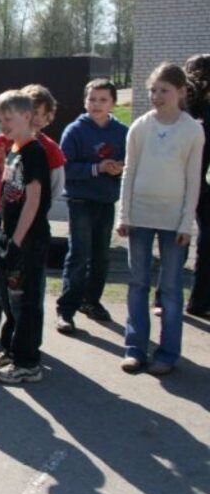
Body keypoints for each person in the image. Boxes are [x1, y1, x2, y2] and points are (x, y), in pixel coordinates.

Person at [117, 63, 205, 376]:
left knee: (169, 288)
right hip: (140, 215)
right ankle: (134, 349)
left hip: (174, 221)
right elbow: (129, 173)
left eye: (163, 91)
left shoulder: (193, 130)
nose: (156, 96)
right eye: (152, 90)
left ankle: (167, 354)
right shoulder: (140, 126)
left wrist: (186, 224)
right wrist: (124, 215)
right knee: (138, 283)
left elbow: (193, 179)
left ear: (181, 92)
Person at [0, 83, 66, 343]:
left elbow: (49, 189)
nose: (34, 117)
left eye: (39, 112)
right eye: (2, 118)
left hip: (27, 228)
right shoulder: (6, 145)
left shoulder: (43, 150)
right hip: (3, 218)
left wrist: (22, 231)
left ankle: (24, 342)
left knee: (26, 288)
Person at [0, 90, 53, 384]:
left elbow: (34, 200)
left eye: (8, 118)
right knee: (10, 299)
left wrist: (17, 240)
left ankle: (28, 362)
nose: (3, 124)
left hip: (27, 241)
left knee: (25, 302)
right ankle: (11, 351)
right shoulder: (12, 149)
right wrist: (3, 235)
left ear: (27, 116)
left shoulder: (34, 152)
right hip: (7, 235)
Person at [54, 79, 128, 334]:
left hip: (106, 200)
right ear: (85, 101)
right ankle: (66, 309)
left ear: (113, 103)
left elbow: (130, 163)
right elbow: (65, 167)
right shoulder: (75, 131)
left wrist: (119, 168)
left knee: (101, 257)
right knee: (79, 255)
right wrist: (97, 168)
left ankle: (91, 301)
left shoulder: (122, 131)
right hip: (80, 200)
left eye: (103, 100)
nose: (97, 104)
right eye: (92, 99)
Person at [182, 54, 210, 318]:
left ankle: (200, 300)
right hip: (186, 181)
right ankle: (196, 300)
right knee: (176, 239)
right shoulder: (188, 109)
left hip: (204, 183)